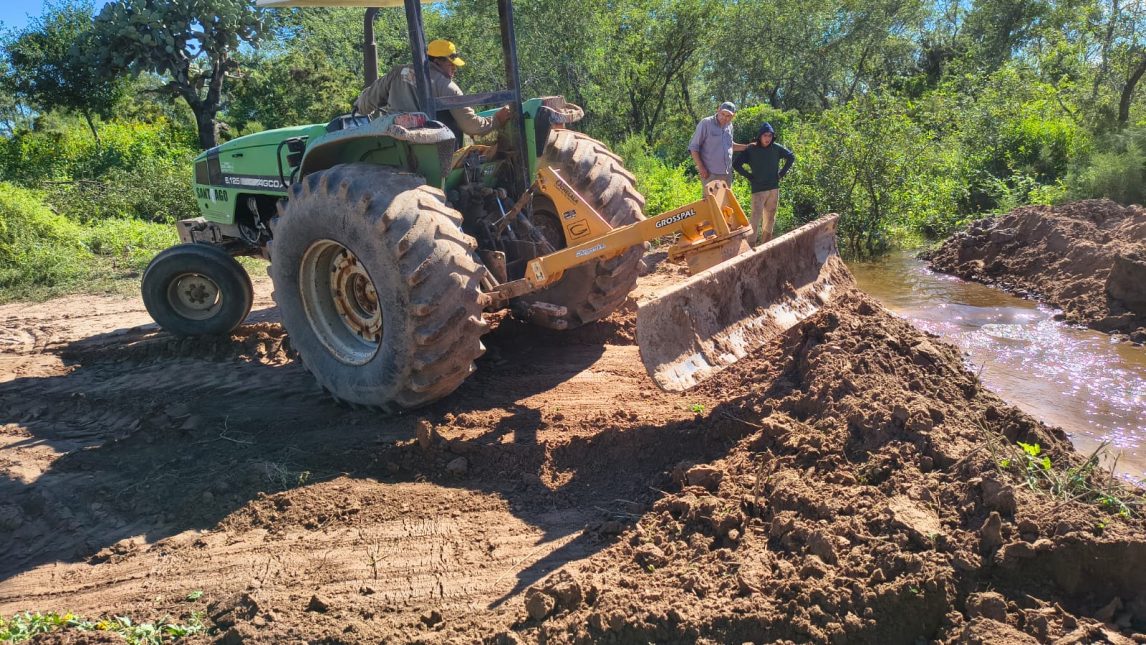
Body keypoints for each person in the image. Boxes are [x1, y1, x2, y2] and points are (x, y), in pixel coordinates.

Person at [355, 39, 511, 139]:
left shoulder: (398, 72)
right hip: (429, 149)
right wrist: (496, 120)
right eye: (451, 64)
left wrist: (359, 107)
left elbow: (365, 102)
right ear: (436, 61)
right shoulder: (447, 87)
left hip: (392, 141)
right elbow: (471, 126)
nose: (454, 70)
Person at [732, 122, 795, 247]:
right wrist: (749, 176)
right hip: (758, 189)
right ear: (760, 136)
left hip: (773, 188)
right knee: (755, 218)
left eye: (770, 136)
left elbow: (791, 157)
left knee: (770, 217)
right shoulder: (751, 149)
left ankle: (765, 244)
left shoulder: (776, 148)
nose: (767, 138)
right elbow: (736, 164)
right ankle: (751, 246)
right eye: (765, 135)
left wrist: (781, 173)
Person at [688, 101, 748, 189]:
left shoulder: (730, 126)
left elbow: (730, 146)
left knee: (726, 202)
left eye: (728, 116)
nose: (724, 118)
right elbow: (693, 147)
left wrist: (748, 147)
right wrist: (701, 167)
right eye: (723, 114)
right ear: (718, 110)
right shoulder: (706, 123)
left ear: (733, 116)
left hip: (727, 174)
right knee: (711, 202)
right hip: (710, 174)